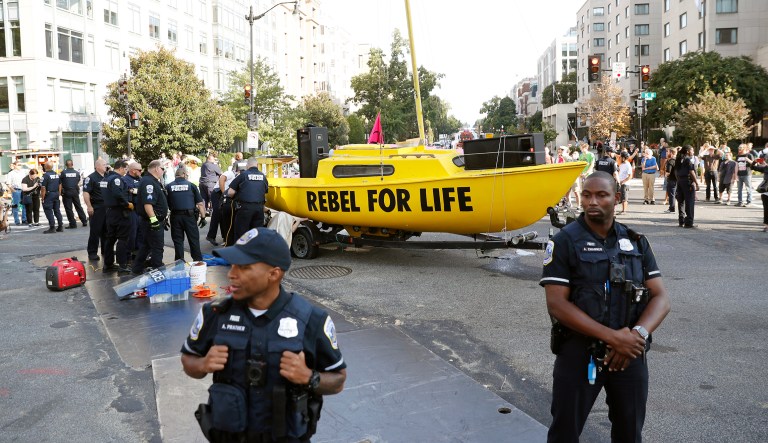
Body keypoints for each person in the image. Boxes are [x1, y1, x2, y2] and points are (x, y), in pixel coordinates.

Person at [180, 227, 346, 442]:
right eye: (232, 265)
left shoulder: (311, 320)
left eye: (244, 267)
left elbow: (338, 380)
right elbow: (188, 360)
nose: (231, 274)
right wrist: (203, 365)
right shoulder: (214, 314)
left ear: (273, 273)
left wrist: (308, 377)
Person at [540, 171, 671, 442]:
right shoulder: (564, 241)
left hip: (628, 353)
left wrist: (637, 336)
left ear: (617, 198)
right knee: (564, 432)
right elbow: (557, 304)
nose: (592, 201)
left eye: (601, 195)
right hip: (580, 353)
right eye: (587, 195)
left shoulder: (636, 242)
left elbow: (660, 298)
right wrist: (613, 338)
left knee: (629, 432)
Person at [132, 160, 169, 275]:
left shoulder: (152, 181)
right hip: (152, 221)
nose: (163, 171)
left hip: (151, 220)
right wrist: (154, 220)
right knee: (157, 248)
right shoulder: (149, 182)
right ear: (157, 168)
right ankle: (158, 272)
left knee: (146, 246)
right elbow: (148, 204)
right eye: (163, 169)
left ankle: (137, 269)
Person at [166, 166, 206, 262]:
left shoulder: (168, 186)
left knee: (178, 241)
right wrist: (203, 217)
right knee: (193, 240)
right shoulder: (191, 185)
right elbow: (200, 204)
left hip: (175, 216)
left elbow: (165, 204)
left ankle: (179, 262)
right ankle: (197, 262)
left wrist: (164, 218)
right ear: (184, 174)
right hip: (189, 217)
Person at [102, 159, 133, 274]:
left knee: (110, 239)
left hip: (109, 212)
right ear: (120, 168)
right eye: (125, 169)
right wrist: (127, 204)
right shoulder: (116, 179)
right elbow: (117, 194)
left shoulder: (105, 178)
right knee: (122, 239)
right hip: (119, 212)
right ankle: (122, 265)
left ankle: (108, 264)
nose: (125, 172)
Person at [228, 157, 269, 240]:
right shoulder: (263, 176)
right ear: (257, 165)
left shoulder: (243, 175)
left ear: (247, 165)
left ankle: (242, 252)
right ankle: (254, 251)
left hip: (245, 208)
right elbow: (265, 192)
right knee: (256, 233)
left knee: (241, 233)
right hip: (259, 208)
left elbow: (230, 192)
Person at [83, 159, 108, 261]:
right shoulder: (91, 178)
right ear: (97, 166)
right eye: (104, 165)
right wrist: (89, 206)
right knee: (95, 231)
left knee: (107, 230)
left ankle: (106, 250)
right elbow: (86, 193)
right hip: (97, 207)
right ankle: (92, 252)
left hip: (107, 207)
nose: (106, 166)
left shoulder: (107, 177)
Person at [219, 160, 244, 246]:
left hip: (229, 203)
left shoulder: (239, 177)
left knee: (229, 225)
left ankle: (229, 243)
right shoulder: (241, 177)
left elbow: (230, 192)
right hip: (233, 204)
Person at [675, 145, 700, 228]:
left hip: (680, 181)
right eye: (692, 150)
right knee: (689, 202)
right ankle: (689, 222)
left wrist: (678, 180)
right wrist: (696, 183)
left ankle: (681, 220)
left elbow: (676, 171)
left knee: (681, 201)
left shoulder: (678, 159)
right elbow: (691, 171)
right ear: (688, 151)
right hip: (687, 181)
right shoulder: (688, 160)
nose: (693, 152)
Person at [59, 159, 88, 229]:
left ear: (66, 165)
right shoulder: (76, 173)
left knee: (69, 208)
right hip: (75, 191)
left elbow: (60, 182)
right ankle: (84, 221)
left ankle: (72, 223)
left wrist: (60, 192)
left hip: (66, 192)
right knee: (78, 206)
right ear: (72, 164)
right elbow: (78, 180)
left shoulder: (63, 173)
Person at [125, 162, 143, 257]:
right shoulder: (125, 180)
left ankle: (139, 252)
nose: (141, 172)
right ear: (133, 170)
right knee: (131, 233)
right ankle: (128, 254)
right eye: (139, 170)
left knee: (141, 232)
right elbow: (129, 190)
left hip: (140, 210)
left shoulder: (141, 179)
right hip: (131, 210)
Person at [39, 161, 64, 234]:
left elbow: (43, 188)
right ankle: (60, 226)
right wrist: (58, 193)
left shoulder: (45, 176)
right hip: (56, 194)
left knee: (48, 210)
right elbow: (60, 184)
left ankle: (52, 227)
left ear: (45, 167)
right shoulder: (56, 174)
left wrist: (42, 198)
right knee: (57, 210)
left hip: (49, 195)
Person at [4, 161, 27, 226]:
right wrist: (13, 190)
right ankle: (17, 221)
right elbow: (8, 183)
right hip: (16, 190)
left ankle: (24, 219)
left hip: (23, 190)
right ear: (14, 165)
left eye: (20, 165)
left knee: (24, 205)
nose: (20, 166)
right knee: (15, 206)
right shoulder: (11, 173)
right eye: (18, 165)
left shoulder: (23, 172)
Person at [663, 147, 678, 214]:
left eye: (668, 152)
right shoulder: (678, 160)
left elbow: (668, 171)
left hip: (671, 179)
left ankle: (672, 208)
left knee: (671, 194)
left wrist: (666, 175)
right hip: (677, 179)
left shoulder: (671, 161)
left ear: (671, 153)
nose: (667, 153)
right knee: (676, 194)